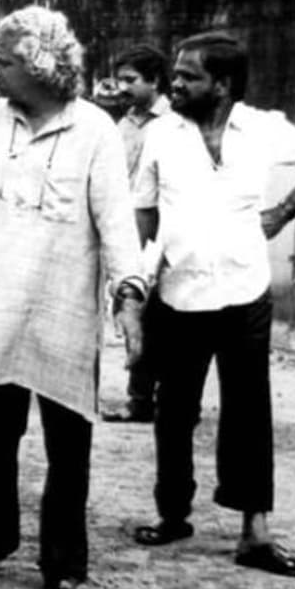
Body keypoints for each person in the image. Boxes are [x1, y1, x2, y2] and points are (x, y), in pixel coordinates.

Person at [0, 5, 146, 589]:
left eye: (3, 62)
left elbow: (117, 224)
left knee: (68, 447)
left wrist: (128, 295)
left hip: (64, 310)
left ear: (39, 66)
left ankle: (64, 564)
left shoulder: (95, 130)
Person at [130, 32, 295, 577]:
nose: (175, 84)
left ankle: (255, 532)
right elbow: (144, 213)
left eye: (188, 76)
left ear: (222, 84)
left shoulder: (264, 129)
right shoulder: (161, 135)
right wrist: (137, 282)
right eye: (175, 74)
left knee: (250, 411)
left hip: (245, 291)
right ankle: (173, 514)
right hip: (178, 293)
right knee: (174, 410)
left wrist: (283, 212)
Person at [101, 44, 170, 423]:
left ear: (155, 81)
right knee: (133, 309)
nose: (123, 87)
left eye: (131, 80)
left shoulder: (173, 123)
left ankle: (160, 399)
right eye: (120, 80)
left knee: (158, 316)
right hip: (127, 229)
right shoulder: (122, 125)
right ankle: (140, 398)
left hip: (161, 232)